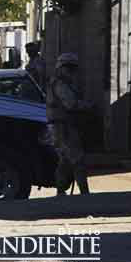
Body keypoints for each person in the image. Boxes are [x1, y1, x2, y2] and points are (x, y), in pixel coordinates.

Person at [47, 53, 91, 196]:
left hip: (61, 126)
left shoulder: (63, 83)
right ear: (61, 68)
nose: (71, 72)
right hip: (63, 127)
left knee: (65, 160)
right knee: (77, 159)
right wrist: (87, 106)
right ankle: (84, 192)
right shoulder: (60, 84)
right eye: (69, 68)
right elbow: (70, 104)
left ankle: (60, 191)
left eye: (73, 69)